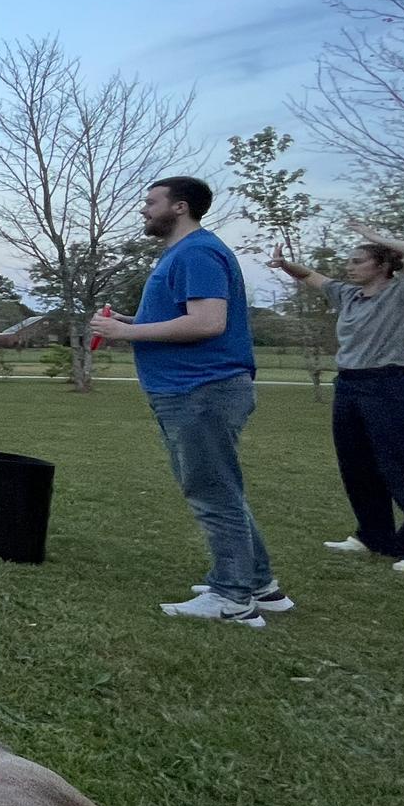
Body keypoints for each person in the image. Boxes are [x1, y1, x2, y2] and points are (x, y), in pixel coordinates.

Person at [92, 177, 291, 628]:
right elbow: (180, 319)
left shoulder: (197, 251)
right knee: (221, 487)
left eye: (150, 202)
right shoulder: (184, 254)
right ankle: (259, 584)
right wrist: (127, 321)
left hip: (201, 390)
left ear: (179, 207)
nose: (143, 209)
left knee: (211, 491)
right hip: (191, 389)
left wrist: (128, 333)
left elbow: (207, 323)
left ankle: (233, 599)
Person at [270, 219, 404, 575]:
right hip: (348, 385)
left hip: (389, 386)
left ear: (382, 265)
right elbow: (311, 276)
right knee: (357, 467)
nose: (348, 266)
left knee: (401, 468)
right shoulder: (347, 294)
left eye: (357, 260)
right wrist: (286, 265)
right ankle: (373, 537)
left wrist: (376, 237)